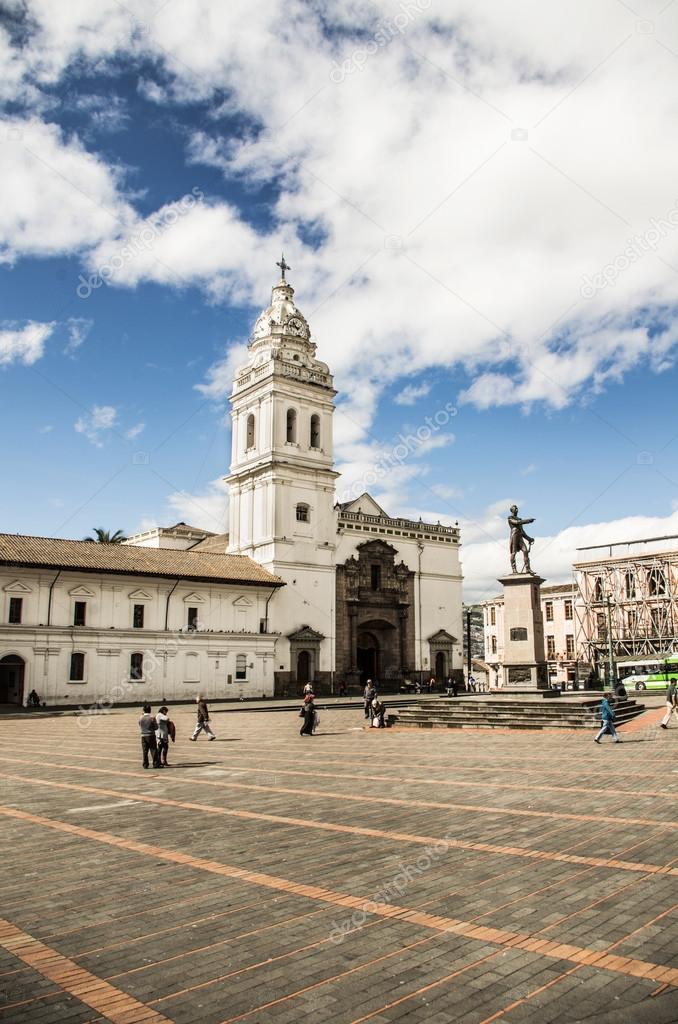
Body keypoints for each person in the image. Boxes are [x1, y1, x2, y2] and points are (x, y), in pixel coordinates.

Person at [139, 704, 160, 768]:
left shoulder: (141, 717)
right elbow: (156, 727)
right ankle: (155, 764)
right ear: (150, 710)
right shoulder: (152, 718)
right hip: (151, 735)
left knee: (145, 751)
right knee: (153, 750)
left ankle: (145, 764)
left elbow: (139, 724)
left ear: (143, 710)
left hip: (143, 735)